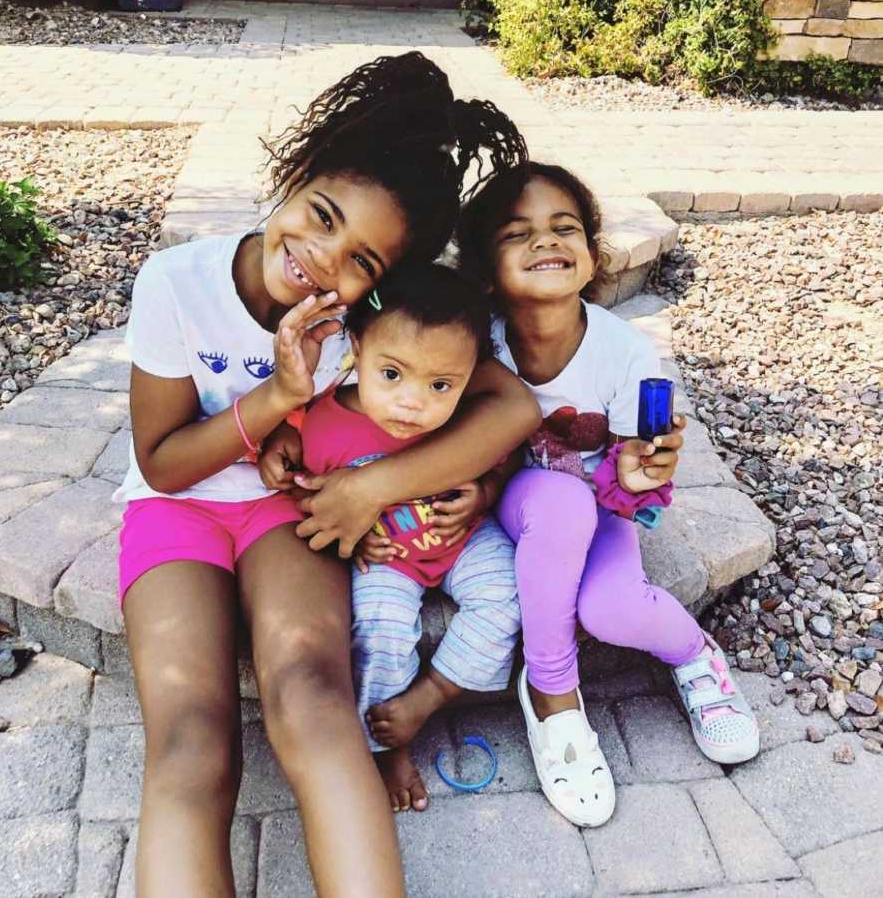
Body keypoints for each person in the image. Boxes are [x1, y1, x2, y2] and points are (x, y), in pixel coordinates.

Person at [115, 51, 538, 898]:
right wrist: (276, 399)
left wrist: (372, 486)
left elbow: (512, 408)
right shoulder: (176, 283)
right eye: (320, 215)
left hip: (292, 517)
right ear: (293, 177)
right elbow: (162, 465)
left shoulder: (366, 323)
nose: (321, 259)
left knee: (313, 698)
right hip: (177, 517)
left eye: (362, 262)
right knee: (193, 739)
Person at [456, 161, 760, 829]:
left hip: (598, 506)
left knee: (615, 606)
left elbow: (634, 462)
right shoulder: (478, 346)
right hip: (517, 501)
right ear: (485, 267)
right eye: (518, 233)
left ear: (591, 256)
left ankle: (696, 657)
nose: (546, 242)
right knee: (557, 503)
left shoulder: (624, 351)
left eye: (565, 228)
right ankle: (551, 694)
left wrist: (638, 473)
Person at [295, 262, 521, 815]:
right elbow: (305, 500)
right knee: (378, 628)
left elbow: (505, 454)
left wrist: (486, 492)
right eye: (391, 374)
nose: (413, 402)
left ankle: (433, 695)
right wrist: (346, 543)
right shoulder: (323, 425)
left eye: (440, 384)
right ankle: (385, 743)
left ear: (469, 376)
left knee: (510, 593)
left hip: (464, 539)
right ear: (356, 346)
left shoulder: (464, 416)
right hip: (387, 561)